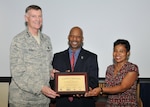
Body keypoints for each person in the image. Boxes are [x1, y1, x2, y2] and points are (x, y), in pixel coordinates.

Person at [9, 5, 59, 107]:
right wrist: (40, 87)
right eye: (34, 16)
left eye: (40, 16)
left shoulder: (46, 40)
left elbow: (47, 65)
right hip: (22, 100)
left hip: (43, 101)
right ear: (26, 18)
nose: (38, 20)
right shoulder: (18, 40)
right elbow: (18, 73)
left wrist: (51, 72)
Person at [51, 26, 99, 107]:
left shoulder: (91, 57)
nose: (74, 39)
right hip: (63, 103)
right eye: (72, 36)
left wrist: (84, 90)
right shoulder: (57, 57)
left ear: (82, 39)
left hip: (84, 103)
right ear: (68, 37)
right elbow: (52, 81)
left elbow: (94, 81)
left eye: (78, 37)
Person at [85, 39, 139, 107]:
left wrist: (100, 89)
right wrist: (91, 91)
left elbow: (122, 87)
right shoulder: (109, 69)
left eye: (121, 51)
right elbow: (108, 90)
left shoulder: (132, 68)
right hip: (110, 104)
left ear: (127, 53)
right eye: (115, 51)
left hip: (127, 104)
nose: (117, 54)